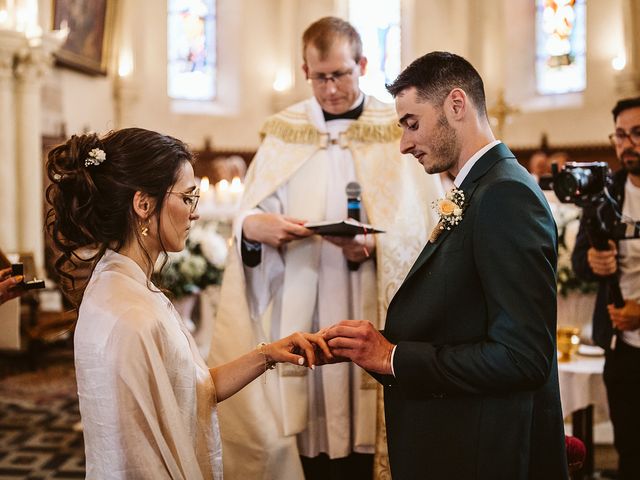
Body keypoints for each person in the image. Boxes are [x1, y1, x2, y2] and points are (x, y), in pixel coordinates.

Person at [209, 16, 440, 480]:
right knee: (308, 422)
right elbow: (250, 212)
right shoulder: (284, 131)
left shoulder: (394, 128)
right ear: (304, 72)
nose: (331, 88)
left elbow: (423, 223)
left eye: (341, 74)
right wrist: (258, 226)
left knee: (368, 420)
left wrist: (373, 249)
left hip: (372, 297)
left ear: (362, 65)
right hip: (302, 293)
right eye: (320, 77)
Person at [324, 51, 569, 479]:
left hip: (486, 453)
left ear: (456, 105)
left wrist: (395, 358)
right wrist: (373, 346)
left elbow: (523, 357)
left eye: (411, 123)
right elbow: (462, 318)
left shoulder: (505, 195)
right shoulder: (476, 188)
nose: (403, 144)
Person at [45, 128, 331, 479]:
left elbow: (191, 391)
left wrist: (267, 354)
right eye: (187, 197)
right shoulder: (130, 315)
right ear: (143, 204)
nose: (194, 213)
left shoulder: (121, 282)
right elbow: (139, 455)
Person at [572, 97, 640, 480]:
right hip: (622, 347)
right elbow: (581, 260)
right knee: (628, 447)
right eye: (619, 135)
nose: (627, 143)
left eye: (637, 133)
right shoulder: (604, 191)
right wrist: (595, 263)